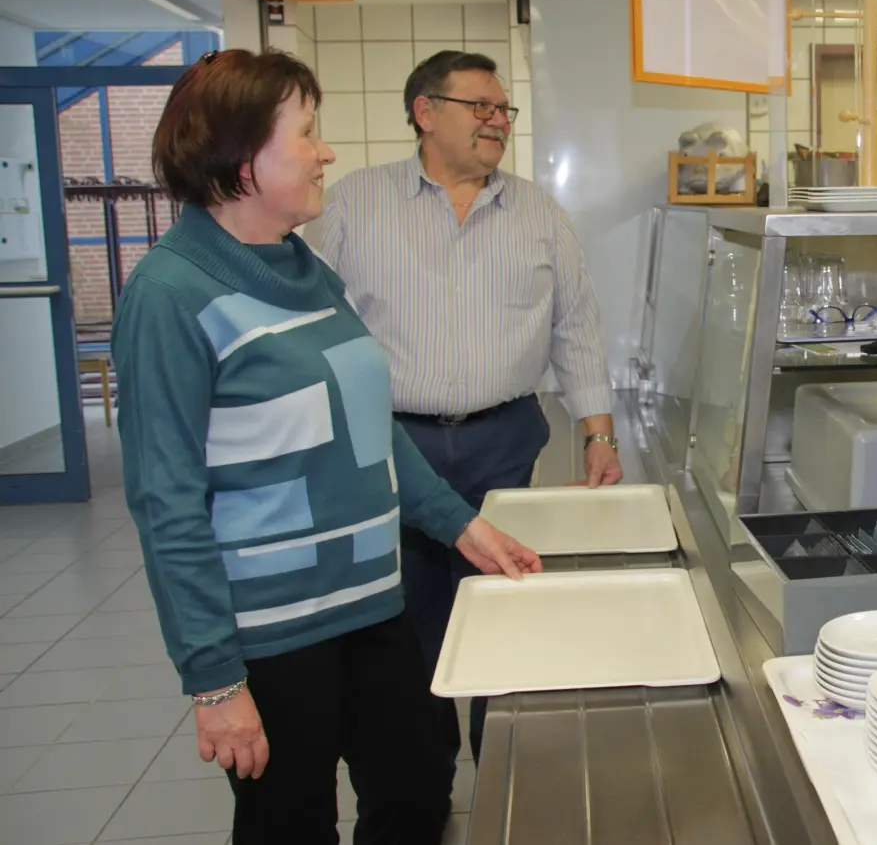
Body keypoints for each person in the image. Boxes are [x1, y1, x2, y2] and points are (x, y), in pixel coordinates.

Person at [112, 49, 542, 845]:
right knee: (290, 822)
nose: (325, 152)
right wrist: (213, 680)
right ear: (241, 160)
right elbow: (167, 504)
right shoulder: (171, 296)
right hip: (274, 634)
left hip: (373, 605)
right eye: (306, 133)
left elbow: (368, 427)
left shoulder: (305, 268)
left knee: (415, 788)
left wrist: (463, 528)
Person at [312, 50, 620, 769]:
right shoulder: (354, 204)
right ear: (425, 112)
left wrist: (598, 432)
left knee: (503, 605)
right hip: (393, 447)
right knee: (406, 626)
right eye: (479, 106)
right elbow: (314, 327)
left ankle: (505, 767)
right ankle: (419, 777)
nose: (497, 121)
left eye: (503, 109)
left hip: (503, 442)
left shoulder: (538, 211)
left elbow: (577, 325)